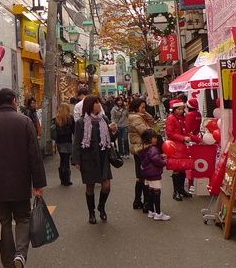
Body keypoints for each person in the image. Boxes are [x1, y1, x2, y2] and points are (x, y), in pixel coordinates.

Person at [0, 88, 46, 268]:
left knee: (4, 222)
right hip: (21, 181)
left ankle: (8, 262)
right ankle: (20, 254)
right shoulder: (25, 122)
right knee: (23, 217)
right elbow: (34, 155)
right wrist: (38, 183)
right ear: (14, 100)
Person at [72, 95, 118, 224]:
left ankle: (101, 206)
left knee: (106, 186)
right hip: (88, 158)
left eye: (99, 102)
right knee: (90, 187)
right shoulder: (81, 122)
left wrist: (114, 131)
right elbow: (76, 142)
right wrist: (76, 160)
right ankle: (91, 213)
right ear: (90, 105)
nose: (99, 105)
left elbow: (111, 139)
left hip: (103, 157)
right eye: (97, 102)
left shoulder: (104, 119)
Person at [165, 99, 201, 201]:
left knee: (183, 168)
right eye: (178, 109)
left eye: (182, 109)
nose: (181, 111)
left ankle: (181, 190)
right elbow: (170, 133)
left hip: (182, 146)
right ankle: (176, 191)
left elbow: (186, 132)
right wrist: (183, 138)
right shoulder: (171, 118)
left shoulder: (182, 118)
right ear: (174, 109)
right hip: (175, 146)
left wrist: (197, 140)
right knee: (177, 168)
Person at [128, 98, 158, 212]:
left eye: (145, 107)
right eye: (142, 107)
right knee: (145, 176)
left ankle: (137, 201)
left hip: (140, 148)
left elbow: (152, 121)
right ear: (136, 107)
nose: (144, 109)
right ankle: (146, 203)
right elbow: (146, 133)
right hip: (142, 148)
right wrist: (154, 132)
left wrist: (145, 113)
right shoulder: (136, 118)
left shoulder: (139, 116)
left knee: (141, 176)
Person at [139, 129, 170, 221]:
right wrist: (165, 161)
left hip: (147, 173)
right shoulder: (153, 148)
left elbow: (150, 158)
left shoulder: (144, 147)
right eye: (153, 137)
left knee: (151, 192)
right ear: (149, 138)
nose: (155, 139)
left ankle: (151, 211)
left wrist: (160, 156)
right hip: (154, 173)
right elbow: (156, 161)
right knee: (157, 192)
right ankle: (158, 213)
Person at [54, 102, 75, 186]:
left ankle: (62, 178)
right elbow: (74, 130)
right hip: (67, 141)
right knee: (66, 160)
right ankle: (66, 179)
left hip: (59, 142)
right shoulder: (70, 118)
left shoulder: (56, 119)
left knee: (62, 159)